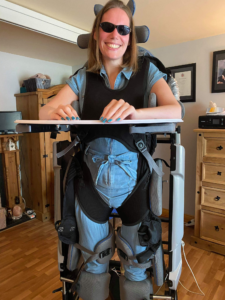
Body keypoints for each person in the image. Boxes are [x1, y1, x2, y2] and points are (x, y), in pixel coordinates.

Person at [39, 1, 181, 299]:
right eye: (107, 27)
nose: (114, 34)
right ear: (96, 33)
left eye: (123, 29)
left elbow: (175, 110)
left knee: (135, 267)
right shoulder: (82, 78)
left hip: (137, 184)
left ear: (130, 37)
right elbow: (44, 111)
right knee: (93, 266)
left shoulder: (148, 72)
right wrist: (59, 110)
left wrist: (135, 112)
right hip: (90, 184)